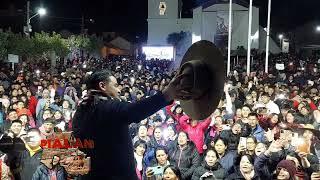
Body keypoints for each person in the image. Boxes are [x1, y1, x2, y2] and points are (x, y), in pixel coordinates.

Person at [72, 70, 192, 179]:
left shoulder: (81, 111)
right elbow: (134, 111)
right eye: (115, 85)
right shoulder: (105, 108)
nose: (118, 90)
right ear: (102, 86)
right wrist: (166, 95)